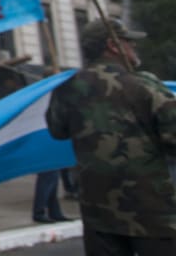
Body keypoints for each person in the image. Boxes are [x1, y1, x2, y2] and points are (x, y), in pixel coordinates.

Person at [46, 19, 176, 255]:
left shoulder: (67, 89)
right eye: (128, 42)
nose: (134, 47)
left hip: (98, 212)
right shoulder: (142, 84)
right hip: (151, 210)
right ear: (113, 45)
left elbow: (57, 131)